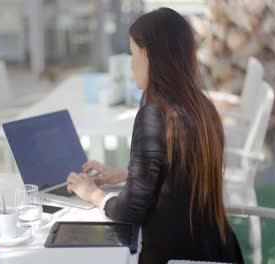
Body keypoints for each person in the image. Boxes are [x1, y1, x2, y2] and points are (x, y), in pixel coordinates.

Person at [66, 7, 244, 264]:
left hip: (175, 258)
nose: (130, 62)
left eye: (132, 53)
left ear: (150, 55)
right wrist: (128, 176)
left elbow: (130, 212)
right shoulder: (201, 107)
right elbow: (181, 177)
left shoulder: (155, 115)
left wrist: (91, 192)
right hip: (217, 252)